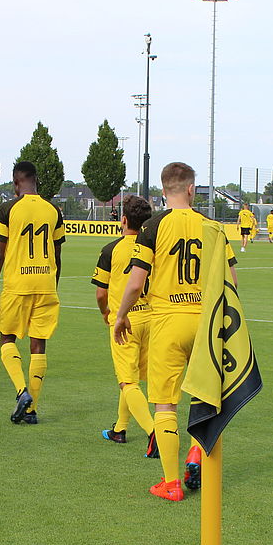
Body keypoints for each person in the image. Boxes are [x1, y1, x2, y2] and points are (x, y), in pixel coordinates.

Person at [112, 162, 237, 502]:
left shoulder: (153, 226)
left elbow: (136, 282)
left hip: (166, 321)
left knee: (165, 405)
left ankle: (170, 484)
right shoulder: (213, 227)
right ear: (192, 189)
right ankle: (196, 455)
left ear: (163, 191)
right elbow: (232, 282)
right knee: (204, 397)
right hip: (204, 322)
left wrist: (121, 315)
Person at [0, 161, 65, 425]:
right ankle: (32, 411)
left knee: (6, 338)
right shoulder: (54, 210)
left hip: (18, 284)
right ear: (36, 180)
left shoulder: (7, 209)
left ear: (16, 182)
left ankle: (21, 392)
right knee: (38, 344)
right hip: (45, 283)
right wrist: (53, 285)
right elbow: (58, 254)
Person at [93, 195, 156, 455]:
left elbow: (100, 293)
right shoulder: (153, 247)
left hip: (125, 321)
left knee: (127, 382)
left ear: (124, 219)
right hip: (151, 319)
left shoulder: (111, 250)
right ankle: (120, 429)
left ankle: (155, 433)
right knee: (133, 379)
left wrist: (106, 312)